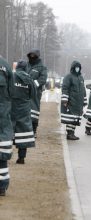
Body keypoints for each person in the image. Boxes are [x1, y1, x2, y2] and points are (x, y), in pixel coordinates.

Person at [11, 60, 36, 164]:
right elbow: (33, 95)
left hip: (11, 107)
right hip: (24, 109)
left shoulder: (11, 76)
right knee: (23, 133)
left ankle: (4, 157)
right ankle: (21, 158)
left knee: (7, 131)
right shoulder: (30, 79)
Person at [61, 61, 87, 140]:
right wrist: (65, 100)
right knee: (71, 118)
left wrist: (84, 100)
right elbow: (65, 88)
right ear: (73, 68)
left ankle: (72, 133)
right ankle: (70, 134)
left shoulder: (81, 77)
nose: (77, 69)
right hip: (71, 101)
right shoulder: (68, 77)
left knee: (75, 118)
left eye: (78, 67)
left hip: (78, 103)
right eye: (76, 67)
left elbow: (83, 89)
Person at [0, 56, 14, 196]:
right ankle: (2, 187)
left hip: (3, 117)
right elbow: (12, 92)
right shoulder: (6, 65)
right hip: (3, 117)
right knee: (2, 156)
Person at [26, 49, 47, 137]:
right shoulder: (26, 65)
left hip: (35, 93)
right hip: (25, 91)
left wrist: (34, 85)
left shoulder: (42, 67)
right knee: (25, 110)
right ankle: (26, 129)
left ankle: (34, 129)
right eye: (31, 56)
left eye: (34, 56)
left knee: (34, 111)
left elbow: (43, 79)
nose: (32, 57)